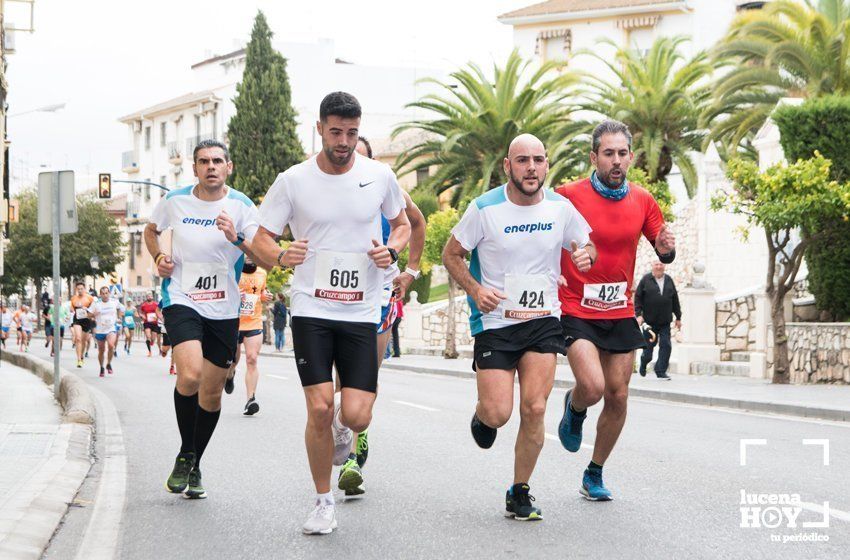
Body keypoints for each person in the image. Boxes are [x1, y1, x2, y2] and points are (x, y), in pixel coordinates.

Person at [252, 92, 411, 534]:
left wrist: (392, 249)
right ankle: (323, 502)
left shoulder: (379, 176)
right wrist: (282, 255)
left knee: (357, 414)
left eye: (352, 133)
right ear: (319, 128)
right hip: (311, 309)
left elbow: (401, 225)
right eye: (336, 132)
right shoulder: (293, 181)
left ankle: (345, 426)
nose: (343, 141)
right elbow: (261, 239)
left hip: (362, 309)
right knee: (319, 407)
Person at [443, 134, 595, 521]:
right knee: (498, 414)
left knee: (535, 406)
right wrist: (476, 290)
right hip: (495, 322)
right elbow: (452, 253)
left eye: (539, 160)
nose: (531, 167)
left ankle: (520, 490)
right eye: (523, 160)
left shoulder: (562, 209)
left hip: (543, 320)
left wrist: (584, 255)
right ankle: (482, 413)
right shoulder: (484, 209)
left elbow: (588, 246)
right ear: (507, 166)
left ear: (547, 166)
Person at [554, 120, 676, 501]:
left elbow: (663, 250)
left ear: (631, 157)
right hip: (576, 306)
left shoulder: (642, 200)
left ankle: (594, 472)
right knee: (592, 387)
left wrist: (667, 245)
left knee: (618, 396)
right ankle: (574, 408)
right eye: (609, 153)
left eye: (622, 153)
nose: (616, 161)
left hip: (619, 309)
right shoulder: (566, 196)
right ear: (594, 157)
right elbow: (539, 235)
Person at [144, 138, 262, 500]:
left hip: (224, 308)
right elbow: (151, 230)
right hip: (182, 298)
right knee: (191, 374)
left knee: (211, 395)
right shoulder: (175, 200)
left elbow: (263, 255)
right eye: (203, 161)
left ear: (229, 167)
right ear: (193, 168)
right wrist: (158, 257)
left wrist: (237, 237)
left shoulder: (241, 206)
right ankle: (185, 451)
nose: (210, 166)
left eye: (217, 161)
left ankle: (194, 462)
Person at [334, 134, 426, 500]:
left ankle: (359, 436)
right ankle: (348, 456)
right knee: (343, 377)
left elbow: (416, 223)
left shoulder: (385, 187)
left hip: (382, 293)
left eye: (361, 156)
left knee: (366, 374)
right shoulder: (327, 189)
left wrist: (412, 272)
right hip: (338, 295)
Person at [226, 257, 271, 415]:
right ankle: (230, 373)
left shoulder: (262, 273)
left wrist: (264, 296)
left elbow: (261, 291)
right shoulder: (232, 270)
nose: (250, 256)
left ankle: (250, 399)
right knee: (234, 358)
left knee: (252, 358)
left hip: (254, 322)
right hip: (233, 321)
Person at [634, 259, 681, 380]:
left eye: (661, 264)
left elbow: (675, 299)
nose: (659, 266)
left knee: (666, 345)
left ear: (664, 266)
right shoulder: (645, 280)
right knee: (648, 350)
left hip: (665, 321)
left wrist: (678, 317)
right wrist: (638, 315)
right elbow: (638, 298)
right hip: (649, 323)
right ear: (652, 266)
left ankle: (660, 371)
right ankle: (644, 363)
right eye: (656, 264)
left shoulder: (669, 280)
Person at [88, 287, 124, 377]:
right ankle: (101, 367)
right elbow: (88, 314)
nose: (105, 295)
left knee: (111, 345)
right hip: (100, 330)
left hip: (111, 328)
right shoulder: (96, 303)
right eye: (103, 293)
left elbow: (121, 308)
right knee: (101, 350)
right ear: (100, 294)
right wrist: (93, 314)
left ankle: (108, 363)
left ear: (109, 293)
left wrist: (119, 317)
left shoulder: (114, 301)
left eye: (106, 293)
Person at [71, 283, 95, 368]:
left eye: (81, 289)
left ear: (84, 289)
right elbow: (72, 309)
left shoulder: (90, 298)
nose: (80, 290)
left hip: (86, 320)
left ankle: (81, 355)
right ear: (76, 290)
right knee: (78, 338)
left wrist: (87, 309)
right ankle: (79, 360)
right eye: (78, 289)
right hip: (77, 319)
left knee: (84, 341)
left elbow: (94, 308)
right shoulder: (74, 298)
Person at [157, 302, 176, 375]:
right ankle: (163, 350)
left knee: (175, 348)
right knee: (166, 348)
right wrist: (162, 318)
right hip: (166, 325)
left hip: (178, 325)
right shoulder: (166, 297)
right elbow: (157, 310)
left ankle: (172, 367)